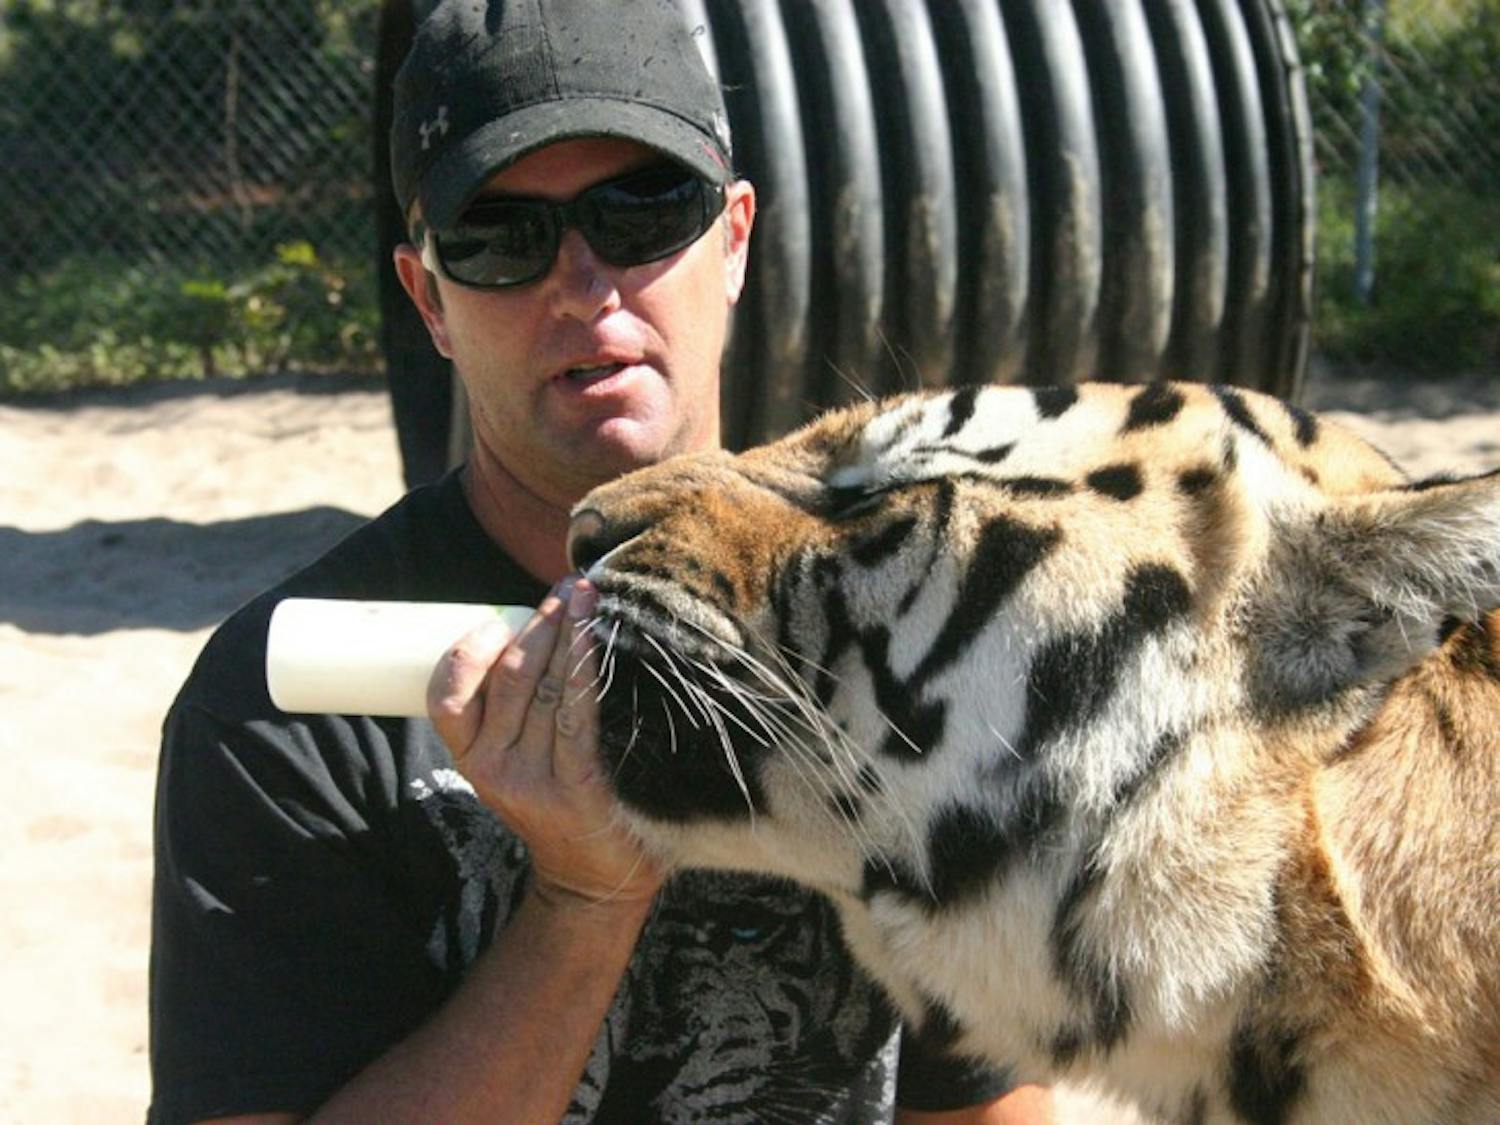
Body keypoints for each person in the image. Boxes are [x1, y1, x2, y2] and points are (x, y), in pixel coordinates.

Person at [148, 1, 1055, 1121]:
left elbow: (979, 1106)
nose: (584, 286)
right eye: (500, 239)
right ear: (429, 299)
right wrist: (584, 898)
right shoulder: (283, 713)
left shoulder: (902, 638)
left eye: (642, 210)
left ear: (731, 238)